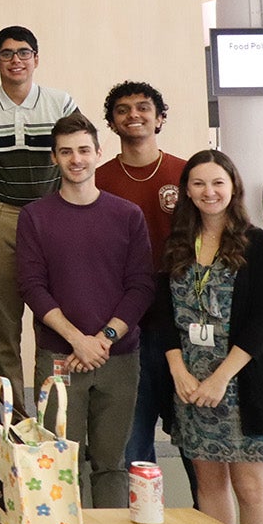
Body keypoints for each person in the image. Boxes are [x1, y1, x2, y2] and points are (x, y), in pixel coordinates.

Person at [16, 112, 153, 509]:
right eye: (65, 152)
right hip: (60, 358)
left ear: (98, 152)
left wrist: (104, 338)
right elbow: (33, 288)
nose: (76, 159)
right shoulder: (35, 217)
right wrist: (78, 340)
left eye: (83, 150)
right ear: (54, 159)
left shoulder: (127, 215)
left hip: (119, 357)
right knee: (60, 463)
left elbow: (141, 286)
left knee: (112, 464)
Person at [161, 150, 263, 524]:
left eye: (218, 182)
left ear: (233, 186)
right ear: (186, 190)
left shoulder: (260, 245)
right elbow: (163, 315)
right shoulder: (178, 243)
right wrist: (178, 370)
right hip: (192, 385)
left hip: (241, 383)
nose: (209, 191)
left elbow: (262, 323)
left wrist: (220, 379)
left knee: (249, 488)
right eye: (198, 183)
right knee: (208, 487)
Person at [0, 25, 77, 412]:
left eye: (24, 52)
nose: (16, 60)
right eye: (8, 54)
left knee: (54, 318)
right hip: (3, 217)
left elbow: (78, 155)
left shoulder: (61, 103)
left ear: (36, 59)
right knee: (4, 321)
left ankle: (55, 409)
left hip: (53, 219)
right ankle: (11, 412)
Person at [93, 82, 189, 478]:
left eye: (143, 107)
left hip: (184, 322)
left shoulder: (187, 174)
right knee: (132, 442)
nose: (134, 114)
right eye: (122, 109)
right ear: (112, 123)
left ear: (160, 117)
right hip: (126, 326)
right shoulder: (97, 180)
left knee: (195, 441)